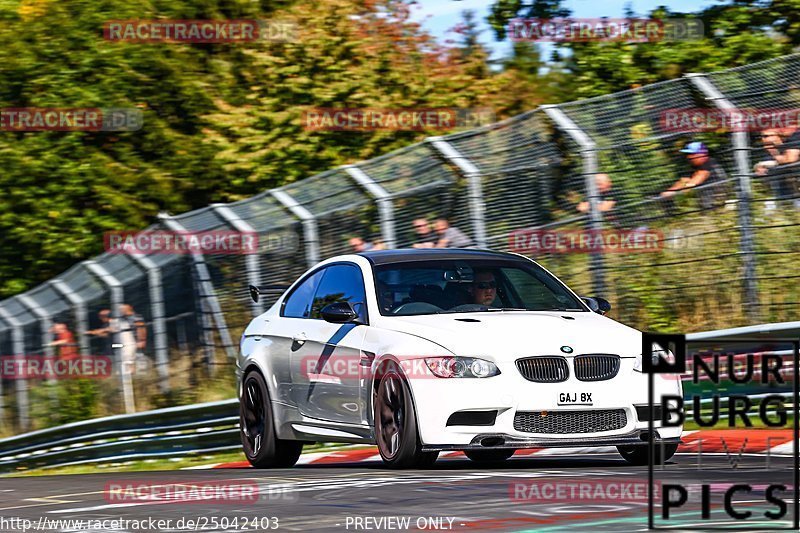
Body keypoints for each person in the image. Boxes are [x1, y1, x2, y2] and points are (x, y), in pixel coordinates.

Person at [660, 142, 728, 211]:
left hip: (716, 201)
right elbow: (684, 180)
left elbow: (698, 178)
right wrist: (670, 191)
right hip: (704, 201)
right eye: (688, 154)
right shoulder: (693, 165)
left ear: (701, 154)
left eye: (692, 154)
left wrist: (685, 188)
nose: (689, 157)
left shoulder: (709, 163)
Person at [755, 127, 800, 209]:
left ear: (778, 136)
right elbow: (761, 170)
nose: (762, 139)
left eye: (766, 136)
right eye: (761, 136)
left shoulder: (795, 140)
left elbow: (790, 159)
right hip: (787, 192)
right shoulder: (770, 150)